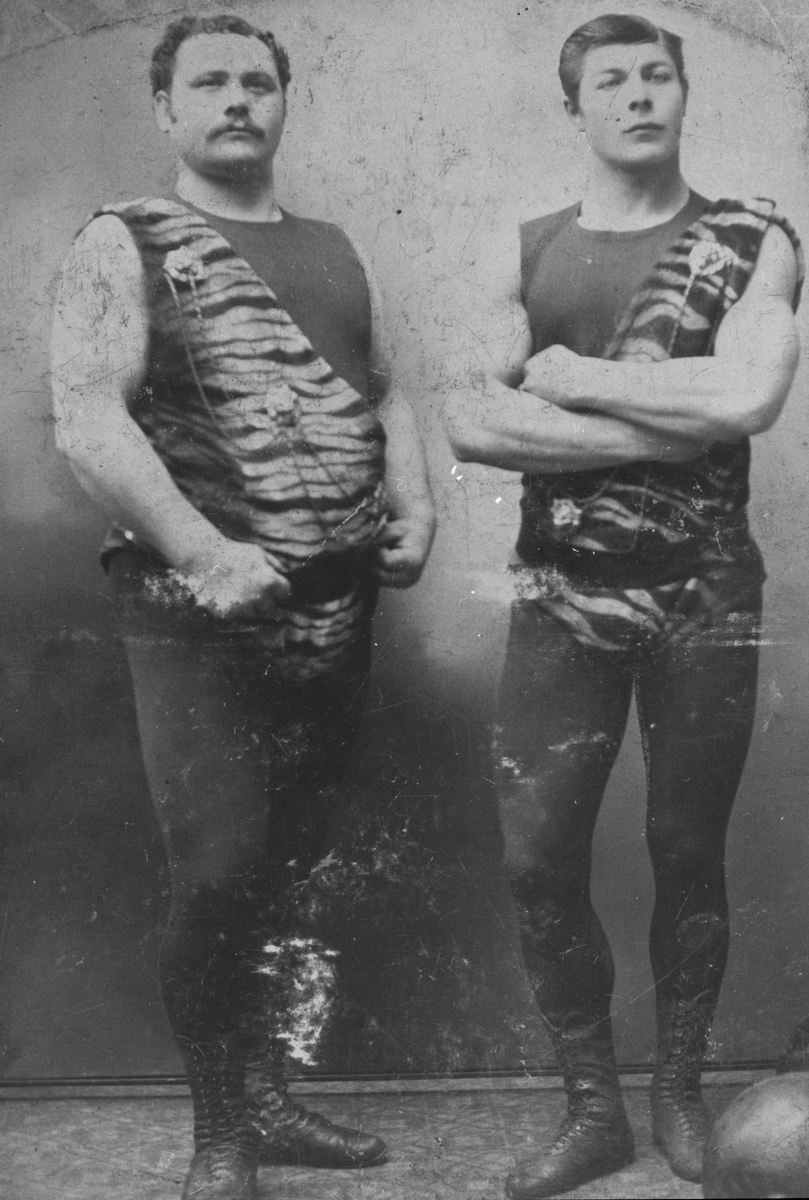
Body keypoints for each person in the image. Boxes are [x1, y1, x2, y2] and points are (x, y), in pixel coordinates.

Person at [51, 14, 435, 1200]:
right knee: (220, 867)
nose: (235, 100)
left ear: (282, 103)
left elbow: (384, 394)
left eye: (257, 82)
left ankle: (267, 1097)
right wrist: (203, 548)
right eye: (208, 82)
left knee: (290, 862)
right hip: (192, 607)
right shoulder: (123, 239)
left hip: (335, 606)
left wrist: (418, 503)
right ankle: (221, 1132)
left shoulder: (331, 248)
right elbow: (87, 416)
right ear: (165, 107)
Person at [444, 13, 802, 1200]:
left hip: (706, 594)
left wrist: (577, 382)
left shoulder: (756, 238)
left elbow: (747, 398)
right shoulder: (526, 245)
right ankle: (591, 1113)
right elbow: (471, 418)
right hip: (560, 597)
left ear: (682, 94)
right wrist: (662, 419)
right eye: (612, 81)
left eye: (657, 74)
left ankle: (679, 1098)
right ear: (576, 107)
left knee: (686, 848)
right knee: (539, 858)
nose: (639, 95)